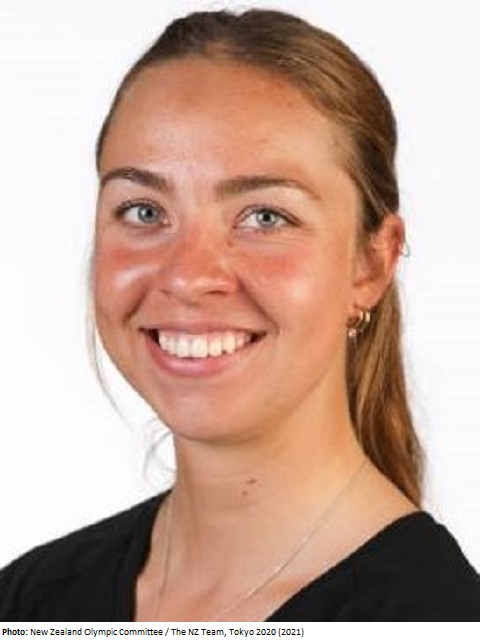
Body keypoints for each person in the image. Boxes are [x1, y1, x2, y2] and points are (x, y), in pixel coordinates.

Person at [0, 8, 479, 622]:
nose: (187, 275)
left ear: (370, 264)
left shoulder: (434, 617)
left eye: (265, 217)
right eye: (144, 211)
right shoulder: (32, 601)